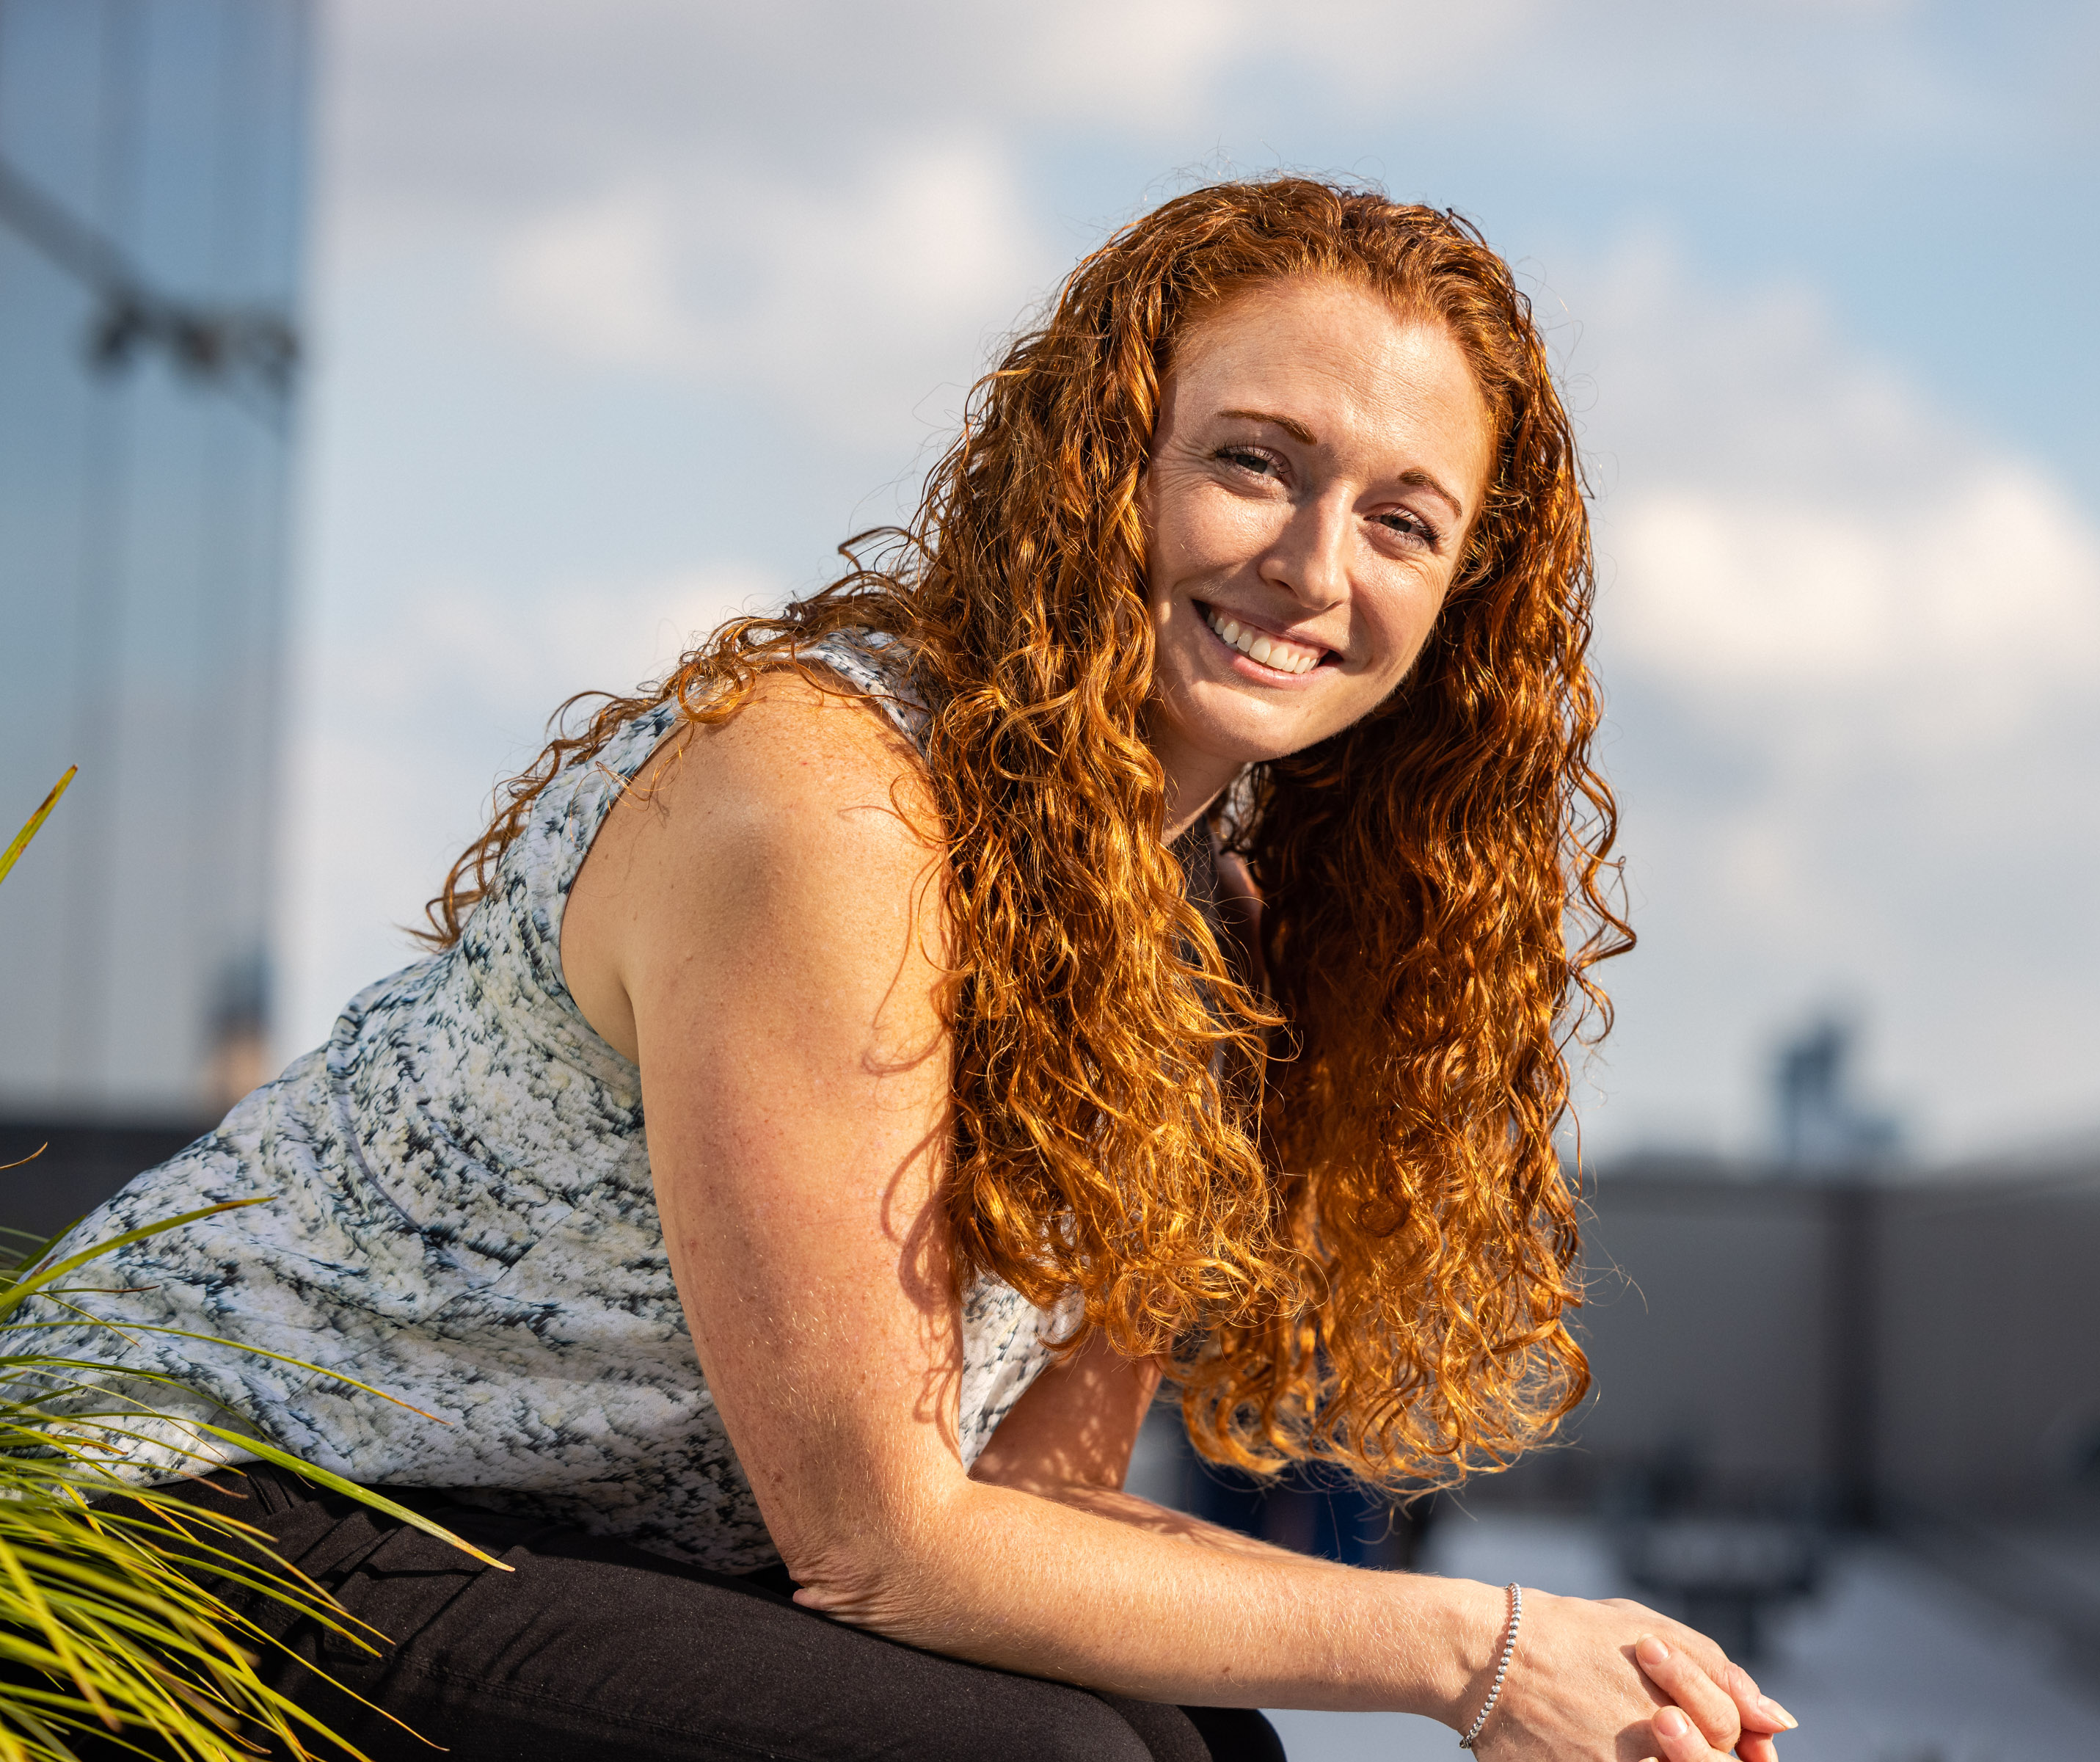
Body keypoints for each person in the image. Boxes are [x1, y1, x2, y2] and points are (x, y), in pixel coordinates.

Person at [29, 177, 1799, 1761]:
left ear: (1462, 597)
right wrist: (1473, 1655)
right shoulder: (831, 805)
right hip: (208, 1514)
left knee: (1199, 1744)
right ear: (1115, 460)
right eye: (1253, 461)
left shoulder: (1209, 931)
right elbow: (885, 1539)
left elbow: (1029, 1504)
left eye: (1405, 519)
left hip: (539, 1528)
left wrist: (1579, 1663)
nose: (1314, 565)